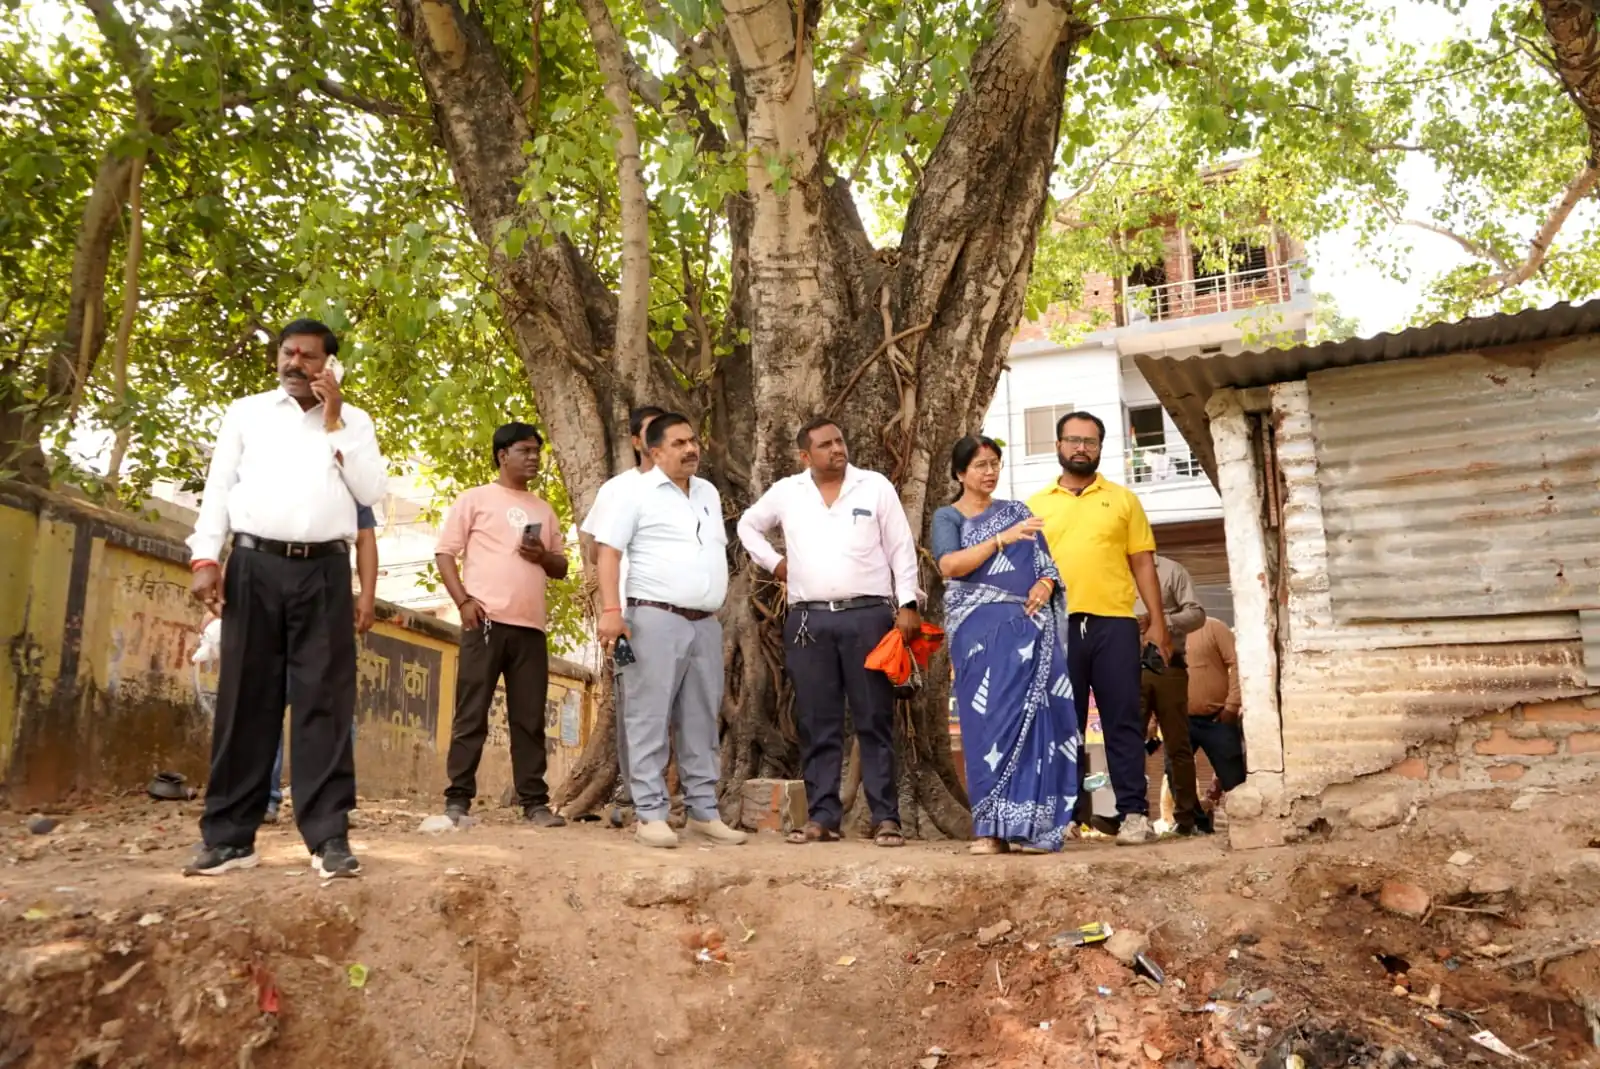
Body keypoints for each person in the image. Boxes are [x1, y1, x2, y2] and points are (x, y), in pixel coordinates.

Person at [186, 318, 387, 878]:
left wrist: (335, 421)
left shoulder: (355, 423)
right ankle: (230, 837)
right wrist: (206, 558)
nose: (294, 364)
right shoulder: (246, 413)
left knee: (324, 703)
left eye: (308, 357)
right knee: (245, 698)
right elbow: (219, 490)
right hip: (252, 565)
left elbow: (371, 493)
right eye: (287, 353)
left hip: (323, 573)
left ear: (330, 365)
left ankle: (328, 838)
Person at [737, 418, 922, 848]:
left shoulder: (873, 486)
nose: (837, 449)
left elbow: (900, 546)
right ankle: (823, 816)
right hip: (809, 621)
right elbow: (748, 525)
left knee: (873, 718)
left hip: (869, 616)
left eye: (840, 440)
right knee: (818, 720)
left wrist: (908, 601)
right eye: (825, 445)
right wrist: (774, 563)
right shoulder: (788, 492)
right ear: (806, 456)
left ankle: (886, 817)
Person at [589, 413, 747, 849]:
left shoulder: (709, 493)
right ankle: (651, 813)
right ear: (653, 451)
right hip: (652, 619)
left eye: (692, 440)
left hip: (705, 624)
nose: (689, 449)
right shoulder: (633, 493)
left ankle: (702, 812)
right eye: (677, 443)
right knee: (648, 718)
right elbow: (608, 554)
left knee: (700, 719)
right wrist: (611, 611)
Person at [1027, 411, 1171, 847]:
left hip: (1115, 624)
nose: (1081, 447)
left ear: (1101, 448)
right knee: (1061, 723)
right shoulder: (1035, 506)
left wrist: (1159, 626)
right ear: (1058, 446)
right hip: (1056, 626)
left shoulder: (1124, 500)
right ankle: (1064, 817)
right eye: (1073, 440)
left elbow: (1142, 563)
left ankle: (1133, 814)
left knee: (1123, 721)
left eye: (1090, 441)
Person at [932, 436, 1078, 854]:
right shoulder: (949, 516)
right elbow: (949, 565)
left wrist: (1044, 583)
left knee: (1035, 723)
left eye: (995, 463)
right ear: (960, 473)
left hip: (1028, 628)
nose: (990, 472)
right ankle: (990, 831)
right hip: (979, 634)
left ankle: (1034, 829)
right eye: (980, 465)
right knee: (986, 724)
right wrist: (1001, 540)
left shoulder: (1018, 512)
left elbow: (1047, 566)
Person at [434, 422, 570, 828]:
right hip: (485, 621)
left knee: (529, 719)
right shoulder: (475, 499)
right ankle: (457, 799)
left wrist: (542, 555)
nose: (533, 458)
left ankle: (535, 803)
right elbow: (445, 553)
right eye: (525, 450)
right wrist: (463, 602)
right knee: (470, 713)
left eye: (537, 451)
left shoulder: (544, 509)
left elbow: (561, 567)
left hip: (530, 628)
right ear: (502, 455)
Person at [264, 502, 379, 824]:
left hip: (326, 594)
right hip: (269, 587)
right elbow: (246, 533)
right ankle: (263, 798)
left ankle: (330, 802)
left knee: (332, 703)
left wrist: (367, 596)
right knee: (266, 698)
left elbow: (366, 538)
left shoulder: (349, 474)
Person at [579, 404, 665, 820]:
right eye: (650, 433)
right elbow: (596, 549)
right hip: (628, 617)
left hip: (678, 618)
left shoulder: (691, 489)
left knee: (683, 708)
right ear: (635, 442)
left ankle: (676, 793)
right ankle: (635, 795)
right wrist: (608, 608)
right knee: (634, 702)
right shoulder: (617, 489)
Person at [1133, 553, 1206, 835]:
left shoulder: (1172, 570)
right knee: (1128, 745)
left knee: (1178, 746)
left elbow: (1197, 614)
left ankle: (1186, 819)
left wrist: (1160, 620)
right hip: (1127, 670)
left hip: (1168, 666)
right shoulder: (1113, 571)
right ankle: (1133, 817)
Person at [1184, 616, 1247, 827]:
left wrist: (1232, 705)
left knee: (1233, 777)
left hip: (1217, 718)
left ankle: (1243, 822)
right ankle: (1194, 824)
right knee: (1176, 775)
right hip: (1180, 721)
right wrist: (1154, 721)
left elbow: (1238, 662)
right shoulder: (1162, 633)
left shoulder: (1213, 628)